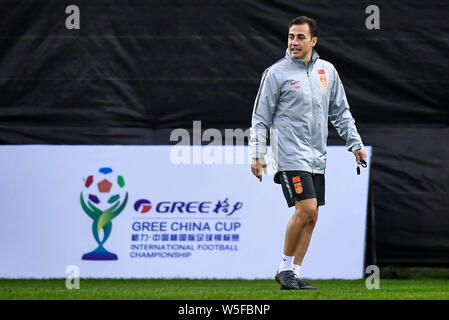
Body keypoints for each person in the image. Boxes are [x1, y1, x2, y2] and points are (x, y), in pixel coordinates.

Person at [249, 16, 367, 290]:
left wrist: (355, 144)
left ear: (314, 41)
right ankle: (284, 267)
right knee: (307, 208)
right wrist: (257, 154)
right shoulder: (276, 73)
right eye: (291, 36)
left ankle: (292, 272)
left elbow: (341, 112)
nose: (294, 42)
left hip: (317, 156)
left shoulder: (328, 71)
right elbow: (260, 117)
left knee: (313, 216)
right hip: (289, 154)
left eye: (301, 37)